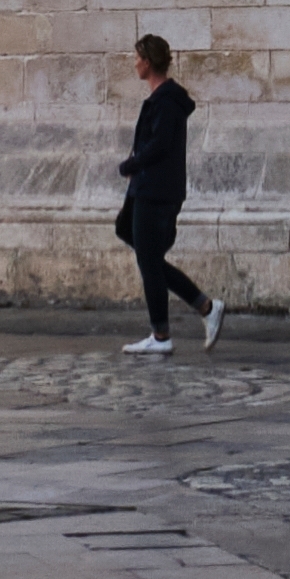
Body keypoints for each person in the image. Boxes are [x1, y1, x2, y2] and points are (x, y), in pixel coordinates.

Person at [116, 33, 211, 351]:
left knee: (149, 261)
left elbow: (159, 144)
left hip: (156, 190)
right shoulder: (161, 99)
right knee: (134, 240)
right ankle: (205, 308)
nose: (134, 64)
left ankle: (161, 335)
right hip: (148, 187)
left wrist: (131, 164)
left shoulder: (167, 100)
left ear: (148, 61)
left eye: (137, 58)